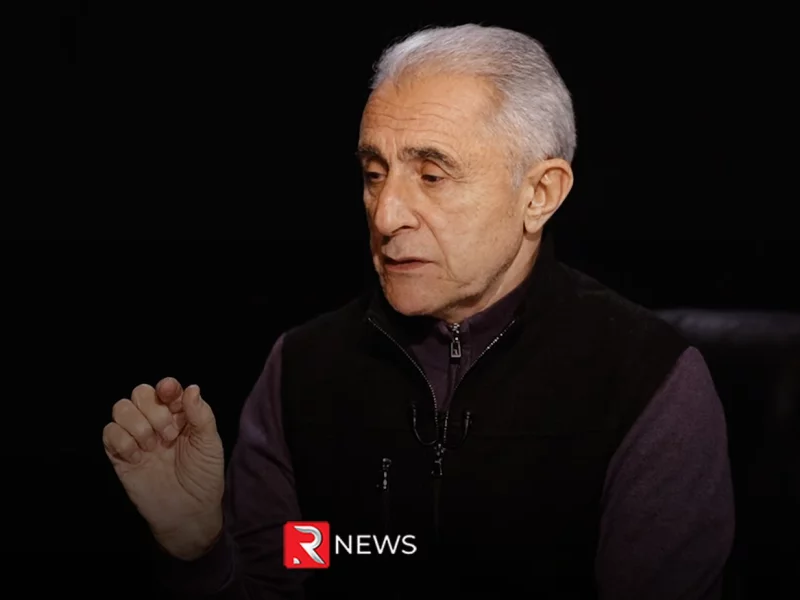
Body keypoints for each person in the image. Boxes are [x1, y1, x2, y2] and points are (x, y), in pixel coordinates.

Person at [101, 24, 734, 599]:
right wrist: (200, 553)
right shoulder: (302, 368)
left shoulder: (649, 382)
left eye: (432, 175)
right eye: (375, 174)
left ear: (540, 194)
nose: (386, 215)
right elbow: (294, 569)